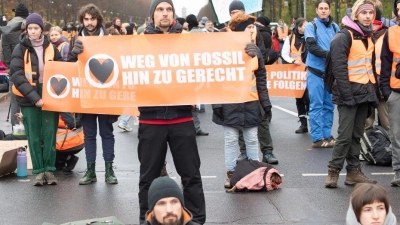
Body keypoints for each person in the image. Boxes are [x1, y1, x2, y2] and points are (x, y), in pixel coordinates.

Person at [138, 1, 206, 224]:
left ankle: (196, 221)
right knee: (147, 178)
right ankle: (145, 220)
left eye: (168, 10)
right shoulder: (137, 43)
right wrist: (80, 54)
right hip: (151, 119)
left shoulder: (189, 40)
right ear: (152, 15)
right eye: (160, 9)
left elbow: (212, 61)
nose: (164, 13)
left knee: (191, 176)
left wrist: (247, 52)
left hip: (182, 117)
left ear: (173, 14)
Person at [213, 13, 272, 188]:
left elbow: (261, 77)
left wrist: (266, 103)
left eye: (253, 27)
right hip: (229, 102)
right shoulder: (223, 49)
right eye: (249, 27)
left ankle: (256, 174)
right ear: (239, 30)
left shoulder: (256, 49)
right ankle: (231, 174)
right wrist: (216, 103)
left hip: (250, 101)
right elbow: (215, 77)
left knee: (252, 138)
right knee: (231, 138)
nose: (253, 30)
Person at [324, 0, 378, 188]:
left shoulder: (368, 36)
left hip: (364, 92)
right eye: (364, 13)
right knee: (345, 135)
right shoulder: (344, 36)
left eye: (371, 13)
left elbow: (369, 66)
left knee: (356, 135)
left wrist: (374, 93)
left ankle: (353, 172)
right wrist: (348, 97)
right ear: (356, 15)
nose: (368, 16)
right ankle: (333, 172)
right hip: (349, 94)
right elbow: (339, 70)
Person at [67, 3, 119, 185]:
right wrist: (73, 55)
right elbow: (69, 69)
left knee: (107, 133)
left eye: (92, 19)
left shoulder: (110, 37)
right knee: (89, 135)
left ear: (98, 19)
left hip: (106, 95)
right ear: (82, 20)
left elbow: (119, 63)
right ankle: (90, 171)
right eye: (86, 19)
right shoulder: (76, 39)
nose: (89, 23)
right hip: (86, 95)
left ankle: (109, 170)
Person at [10, 13, 63, 186]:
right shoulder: (20, 48)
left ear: (42, 29)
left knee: (49, 133)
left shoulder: (51, 47)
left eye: (36, 28)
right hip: (28, 95)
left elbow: (62, 69)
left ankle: (49, 169)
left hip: (50, 92)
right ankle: (39, 171)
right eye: (30, 28)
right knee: (33, 134)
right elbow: (16, 75)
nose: (32, 32)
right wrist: (34, 98)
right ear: (26, 29)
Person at [228, 0, 277, 165]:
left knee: (262, 119)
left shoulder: (255, 34)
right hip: (236, 90)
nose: (237, 15)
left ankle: (267, 151)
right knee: (240, 123)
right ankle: (244, 152)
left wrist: (260, 55)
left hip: (255, 87)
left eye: (239, 12)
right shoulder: (224, 37)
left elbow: (262, 57)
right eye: (234, 13)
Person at [304, 0, 339, 148]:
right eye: (321, 8)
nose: (324, 11)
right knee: (316, 105)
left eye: (326, 8)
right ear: (317, 11)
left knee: (329, 106)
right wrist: (331, 55)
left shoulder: (335, 26)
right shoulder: (310, 26)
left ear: (329, 10)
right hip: (315, 71)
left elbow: (340, 45)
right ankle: (317, 138)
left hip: (330, 72)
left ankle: (328, 135)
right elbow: (312, 47)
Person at [380, 0, 400, 187]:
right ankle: (399, 173)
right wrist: (386, 91)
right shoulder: (391, 33)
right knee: (396, 135)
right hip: (396, 92)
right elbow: (385, 63)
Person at [0, 3, 29, 129]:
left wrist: (9, 66)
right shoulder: (29, 25)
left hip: (12, 69)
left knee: (15, 101)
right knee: (31, 101)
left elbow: (2, 52)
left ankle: (16, 130)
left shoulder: (6, 28)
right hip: (29, 69)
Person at [281, 18, 310, 133]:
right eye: (304, 26)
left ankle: (312, 122)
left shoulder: (310, 37)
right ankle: (303, 123)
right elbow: (284, 54)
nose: (307, 28)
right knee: (299, 98)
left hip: (308, 71)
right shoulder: (290, 38)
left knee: (308, 98)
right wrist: (293, 61)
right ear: (299, 27)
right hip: (296, 72)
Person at [365, 7, 389, 131]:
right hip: (365, 85)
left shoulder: (387, 35)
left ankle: (390, 150)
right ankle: (364, 149)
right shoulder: (360, 35)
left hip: (382, 85)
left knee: (387, 124)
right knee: (366, 124)